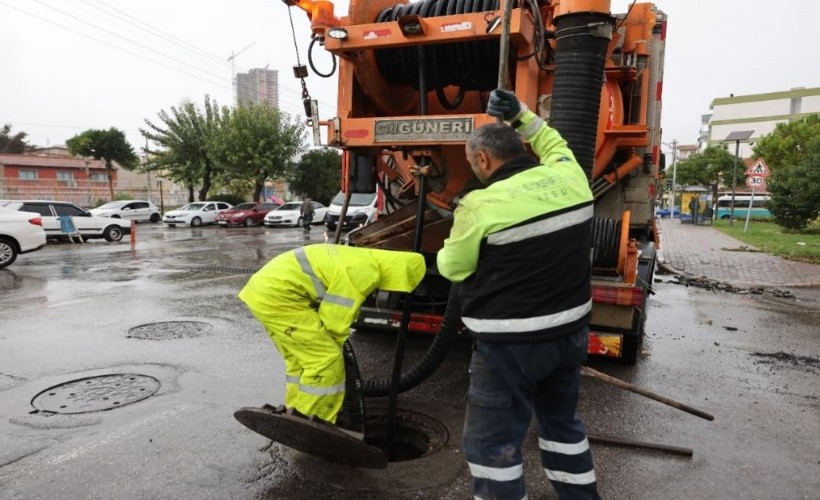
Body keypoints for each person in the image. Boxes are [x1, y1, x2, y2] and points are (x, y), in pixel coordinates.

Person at [437, 89, 601, 500]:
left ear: (483, 160)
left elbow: (452, 267)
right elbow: (554, 142)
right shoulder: (571, 175)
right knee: (562, 427)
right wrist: (522, 115)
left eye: (472, 160)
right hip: (569, 335)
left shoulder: (480, 205)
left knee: (492, 446)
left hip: (510, 347)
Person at [238, 243, 425, 425]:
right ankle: (313, 422)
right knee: (325, 360)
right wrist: (336, 347)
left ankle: (295, 411)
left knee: (300, 362)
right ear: (401, 274)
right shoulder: (364, 271)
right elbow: (334, 318)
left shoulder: (363, 258)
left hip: (263, 292)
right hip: (279, 297)